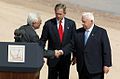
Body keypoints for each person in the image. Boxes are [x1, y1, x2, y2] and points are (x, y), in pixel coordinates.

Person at [14, 13, 62, 79]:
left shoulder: (22, 28)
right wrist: (53, 53)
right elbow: (38, 51)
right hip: (29, 64)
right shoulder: (33, 35)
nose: (41, 23)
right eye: (39, 22)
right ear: (34, 23)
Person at [68, 12, 112, 79]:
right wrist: (74, 56)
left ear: (91, 21)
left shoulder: (101, 32)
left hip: (96, 69)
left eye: (84, 22)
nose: (82, 23)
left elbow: (106, 49)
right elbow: (74, 46)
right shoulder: (78, 32)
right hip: (82, 68)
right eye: (82, 21)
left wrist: (106, 64)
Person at [39, 3, 76, 79]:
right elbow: (43, 40)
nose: (58, 16)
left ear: (65, 13)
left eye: (60, 14)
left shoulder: (71, 24)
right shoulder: (48, 24)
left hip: (65, 57)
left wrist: (75, 55)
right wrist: (40, 54)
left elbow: (73, 42)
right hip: (53, 58)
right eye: (56, 14)